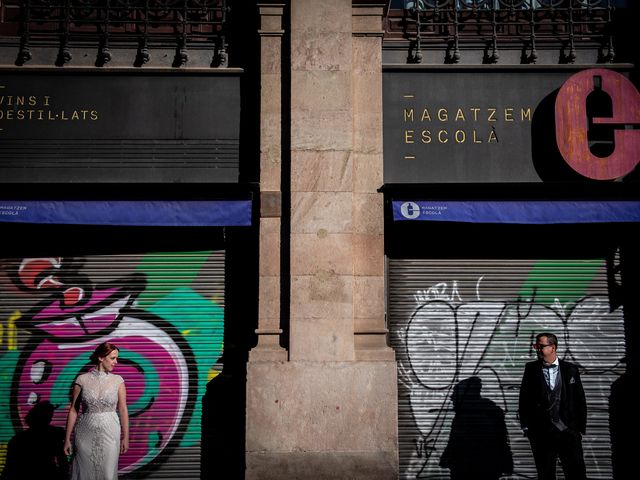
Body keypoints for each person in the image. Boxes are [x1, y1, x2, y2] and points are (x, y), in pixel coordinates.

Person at [519, 332, 587, 480]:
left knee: (576, 473)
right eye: (535, 346)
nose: (537, 349)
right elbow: (524, 399)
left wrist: (578, 429)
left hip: (568, 431)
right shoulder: (531, 369)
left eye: (540, 346)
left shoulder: (570, 369)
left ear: (553, 347)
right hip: (541, 434)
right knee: (545, 475)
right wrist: (527, 427)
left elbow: (579, 399)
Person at [64, 342, 129, 480]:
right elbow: (73, 410)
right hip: (84, 433)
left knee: (108, 474)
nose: (116, 362)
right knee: (83, 473)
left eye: (116, 358)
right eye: (112, 358)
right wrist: (67, 439)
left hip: (110, 432)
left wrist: (126, 436)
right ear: (100, 358)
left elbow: (123, 409)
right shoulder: (82, 380)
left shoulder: (118, 381)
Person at [1, 401, 69, 480]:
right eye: (49, 416)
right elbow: (62, 461)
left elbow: (9, 467)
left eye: (50, 417)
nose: (50, 419)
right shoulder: (54, 435)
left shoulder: (18, 439)